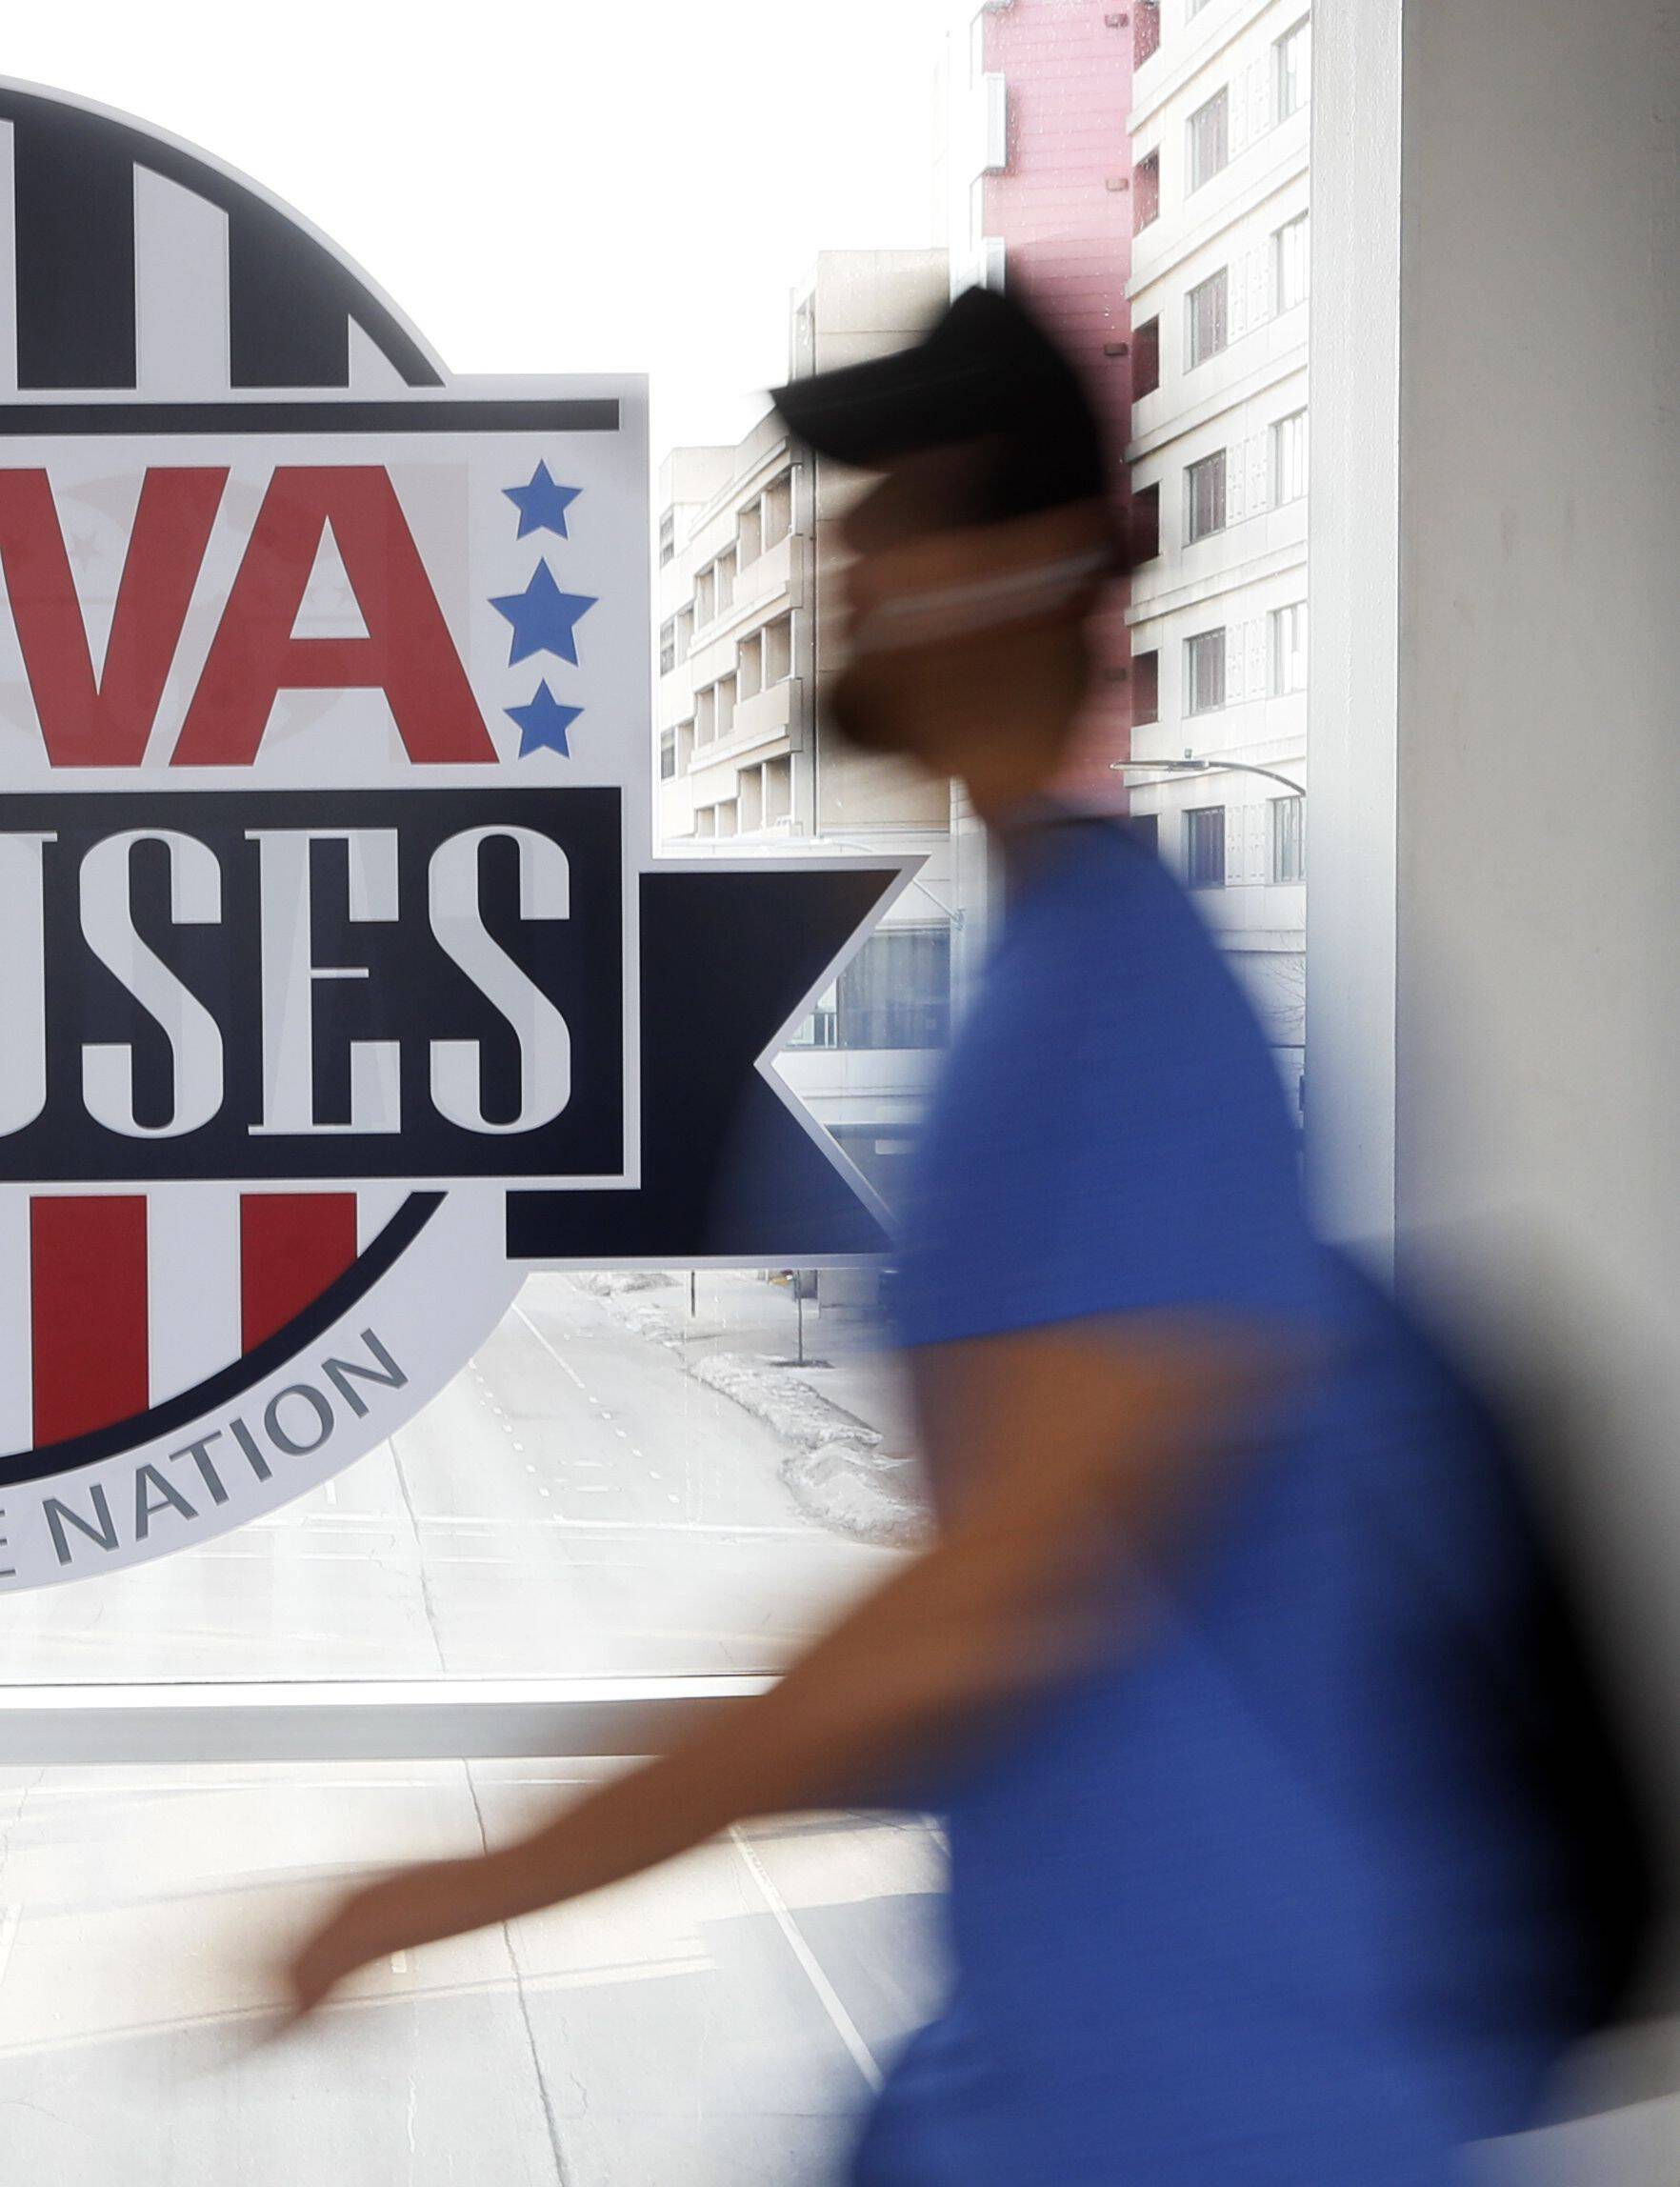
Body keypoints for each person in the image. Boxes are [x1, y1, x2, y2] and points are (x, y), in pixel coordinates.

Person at [277, 287, 1596, 2183]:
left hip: (1240, 2111)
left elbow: (997, 1603)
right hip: (1069, 2083)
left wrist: (469, 1878)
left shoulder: (1127, 1010)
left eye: (893, 514)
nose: (841, 564)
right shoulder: (1055, 978)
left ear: (1028, 566)